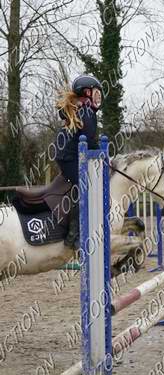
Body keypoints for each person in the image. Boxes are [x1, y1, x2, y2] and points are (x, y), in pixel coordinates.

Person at [55, 74, 102, 249]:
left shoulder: (80, 108)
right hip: (70, 157)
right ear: (87, 92)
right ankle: (74, 236)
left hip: (68, 156)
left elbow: (89, 140)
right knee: (86, 187)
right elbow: (89, 141)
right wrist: (103, 155)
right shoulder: (86, 111)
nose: (99, 96)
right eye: (96, 92)